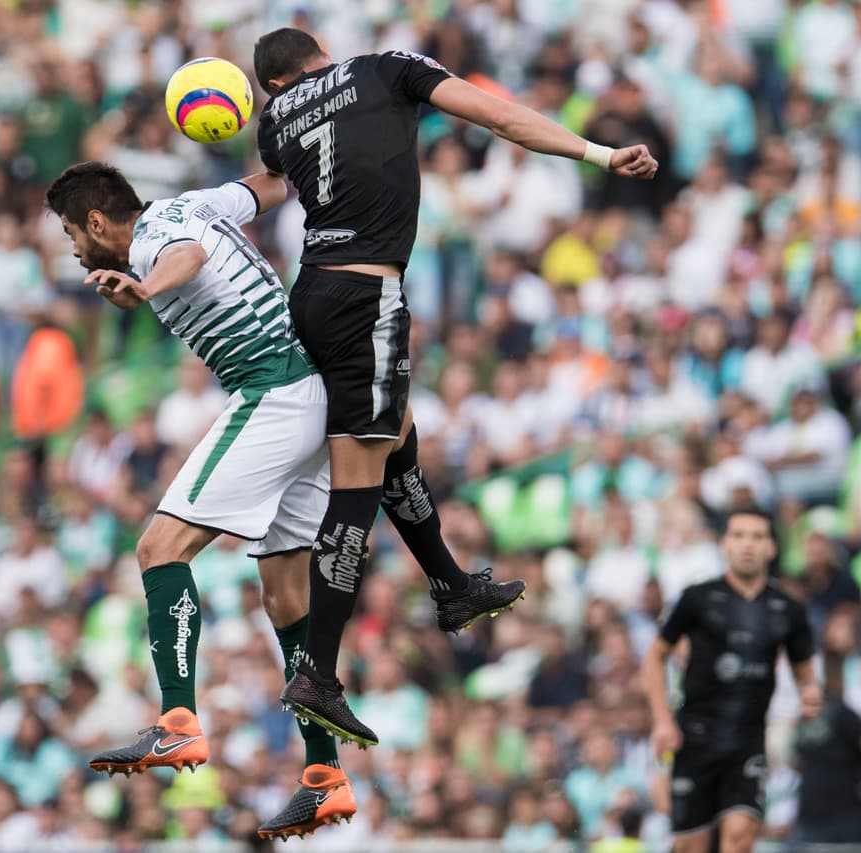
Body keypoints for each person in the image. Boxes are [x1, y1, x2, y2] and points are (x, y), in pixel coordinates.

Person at [42, 162, 517, 839]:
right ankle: (324, 776)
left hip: (275, 392)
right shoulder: (196, 202)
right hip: (316, 399)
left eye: (71, 233)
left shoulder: (151, 241)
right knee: (285, 596)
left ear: (96, 222)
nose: (73, 248)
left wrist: (145, 288)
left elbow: (186, 256)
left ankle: (178, 720)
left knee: (158, 549)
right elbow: (269, 187)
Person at [251, 27, 657, 742]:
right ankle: (317, 669)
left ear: (275, 83)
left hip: (310, 291)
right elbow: (499, 115)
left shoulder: (275, 118)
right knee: (356, 486)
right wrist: (598, 154)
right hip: (368, 293)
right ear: (320, 54)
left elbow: (277, 179)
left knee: (397, 435)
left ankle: (451, 584)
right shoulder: (386, 69)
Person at [641, 506, 821, 853]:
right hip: (694, 738)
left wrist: (809, 692)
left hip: (748, 741)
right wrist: (662, 720)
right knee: (691, 846)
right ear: (724, 544)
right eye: (738, 536)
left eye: (757, 536)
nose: (747, 545)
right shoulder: (697, 598)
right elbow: (654, 656)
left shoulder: (787, 608)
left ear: (771, 547)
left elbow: (804, 669)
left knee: (739, 838)